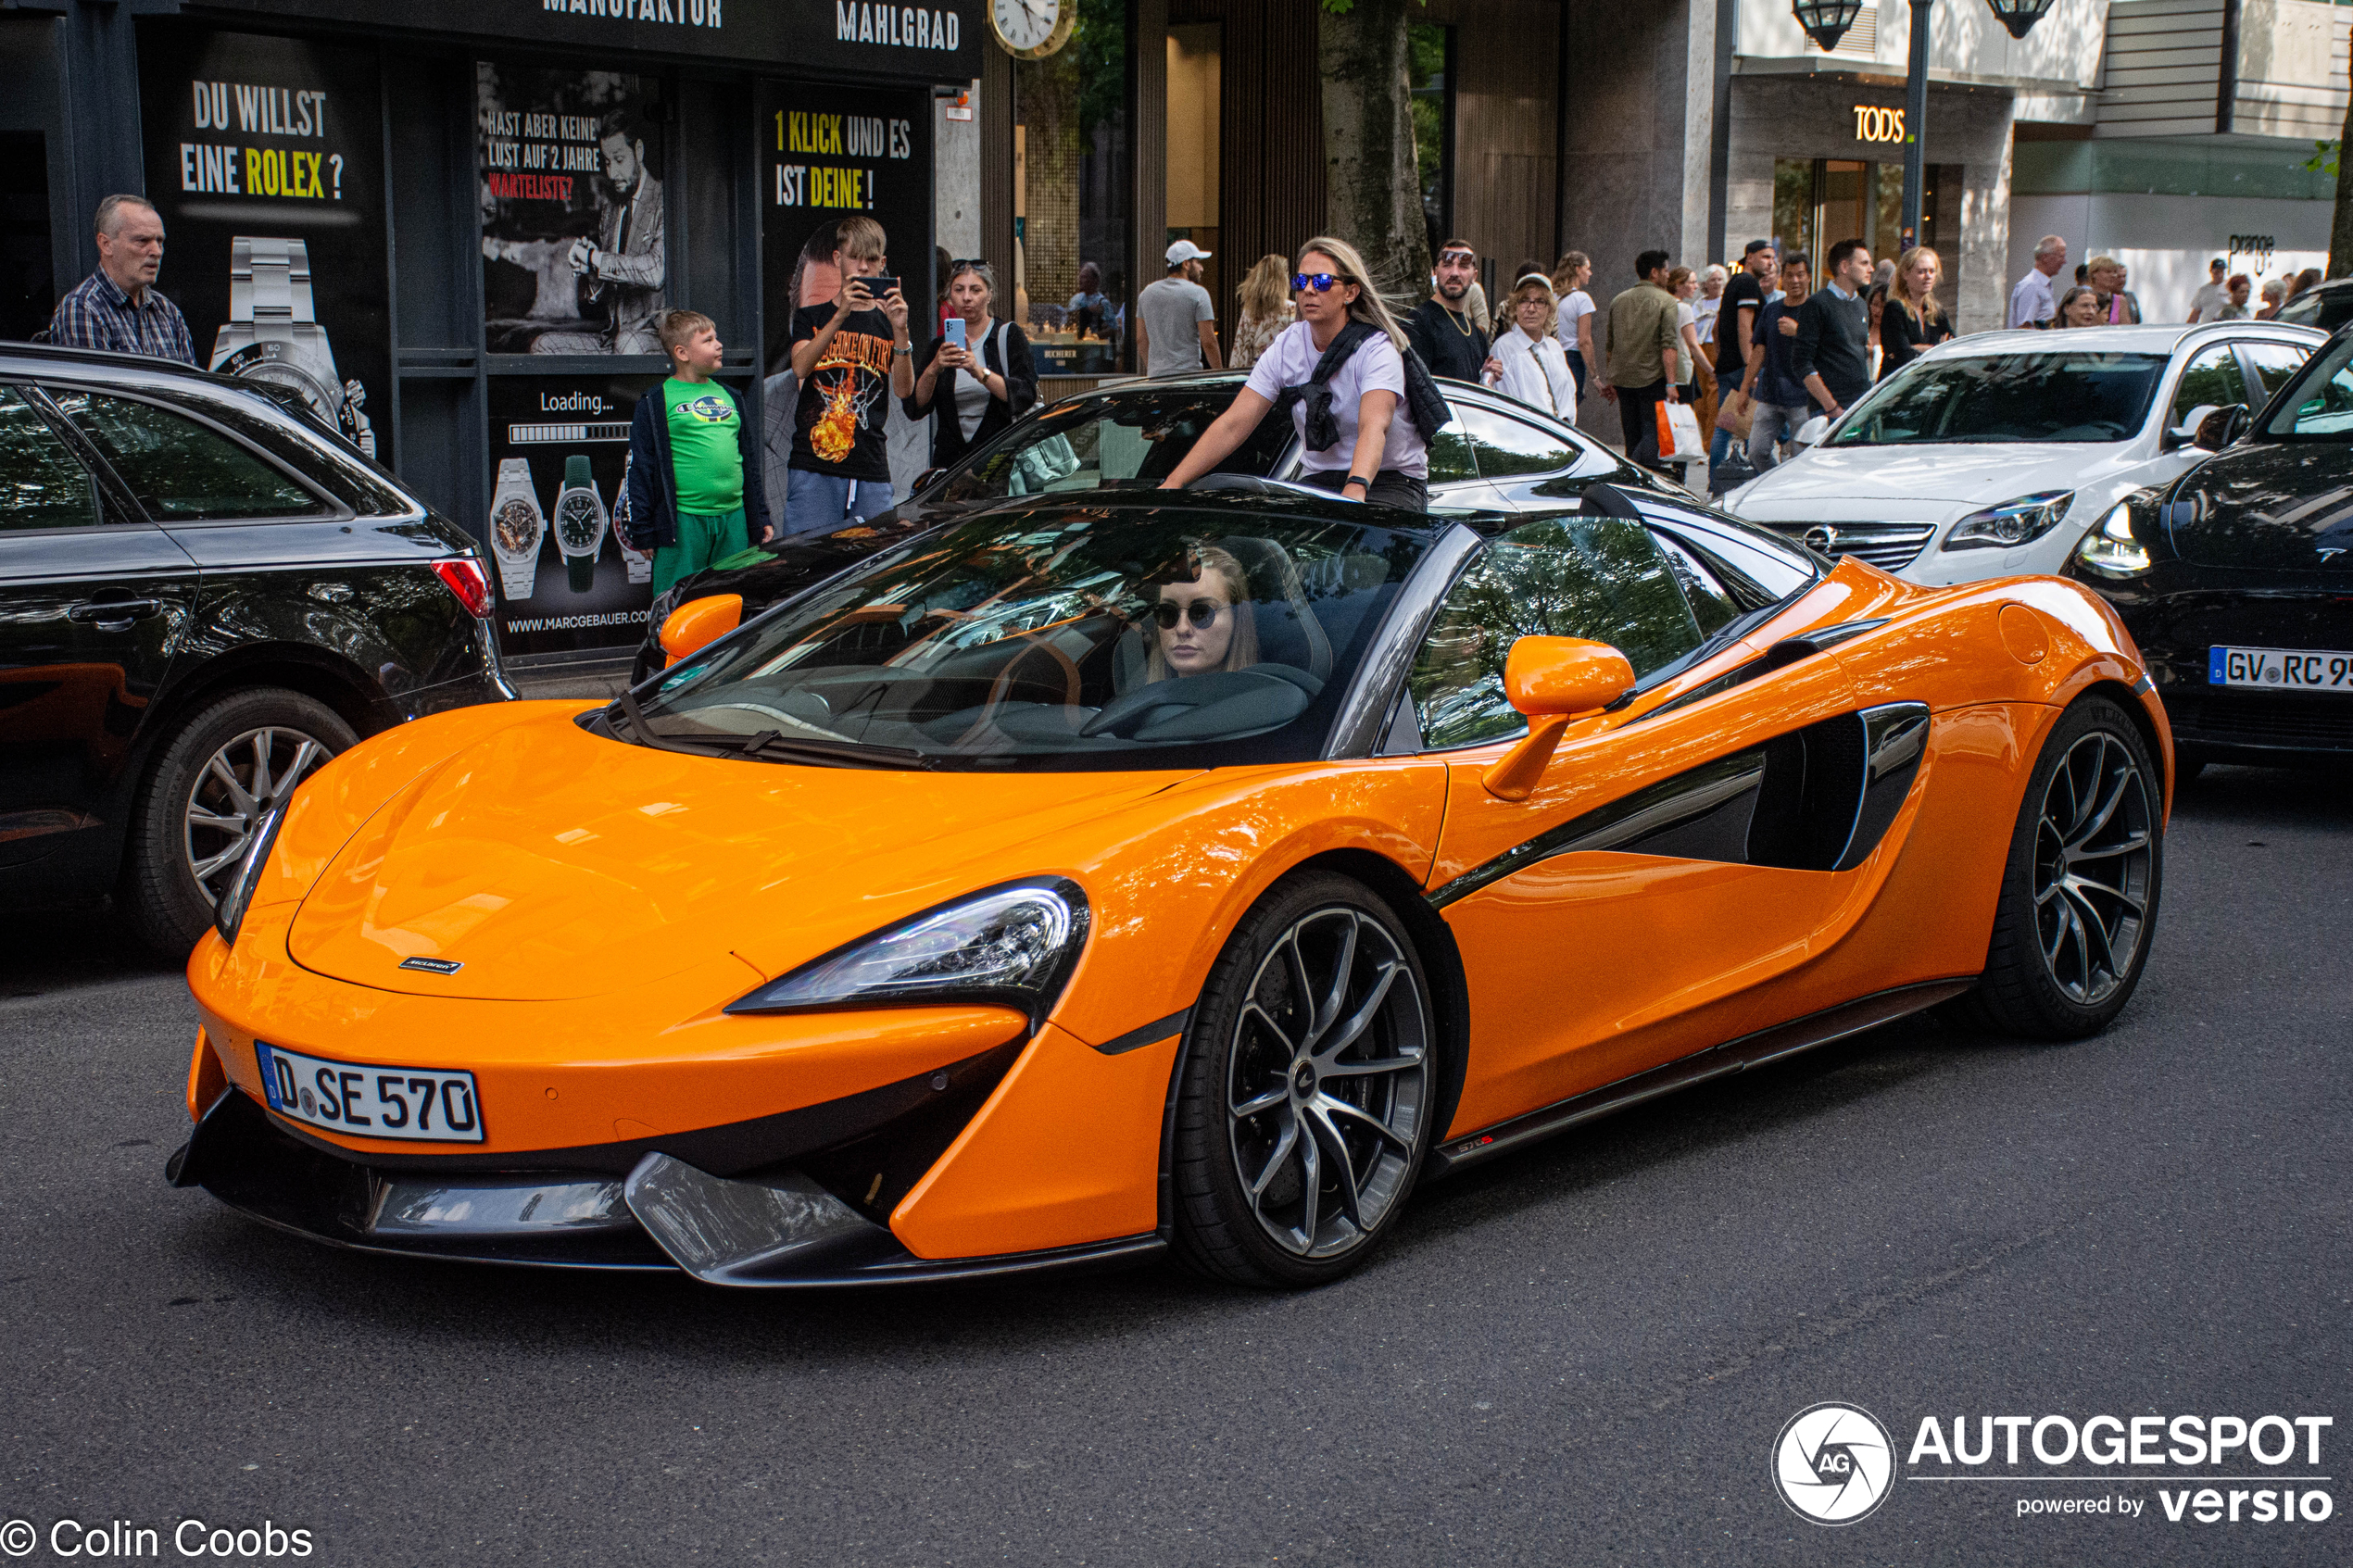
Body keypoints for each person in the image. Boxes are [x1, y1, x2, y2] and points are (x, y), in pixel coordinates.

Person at [1162, 236, 1441, 510]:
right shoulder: (1288, 345)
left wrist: (1354, 491)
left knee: (1363, 554)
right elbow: (1233, 424)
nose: (1308, 289)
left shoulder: (1377, 348)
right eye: (1300, 281)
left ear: (1350, 293)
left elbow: (1373, 426)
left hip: (1389, 482)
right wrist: (1173, 484)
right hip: (1318, 482)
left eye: (1321, 281)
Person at [625, 310, 776, 598]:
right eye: (708, 341)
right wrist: (642, 527)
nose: (719, 345)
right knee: (676, 604)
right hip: (683, 523)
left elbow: (748, 463)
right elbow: (641, 467)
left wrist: (759, 514)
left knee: (730, 602)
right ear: (682, 352)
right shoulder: (655, 401)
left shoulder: (732, 396)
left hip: (733, 519)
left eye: (716, 338)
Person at [783, 216, 913, 539]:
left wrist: (901, 330)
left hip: (869, 461)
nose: (864, 268)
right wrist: (840, 314)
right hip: (815, 462)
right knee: (806, 558)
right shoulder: (811, 316)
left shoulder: (888, 322)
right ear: (838, 259)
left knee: (871, 564)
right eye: (855, 257)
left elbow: (904, 389)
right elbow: (800, 367)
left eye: (871, 260)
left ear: (882, 264)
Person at [529, 111, 665, 354]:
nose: (612, 174)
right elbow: (606, 292)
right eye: (607, 162)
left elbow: (656, 272)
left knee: (627, 344)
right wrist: (590, 270)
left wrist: (597, 259)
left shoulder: (663, 200)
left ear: (639, 151)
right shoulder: (610, 212)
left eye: (619, 159)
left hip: (654, 335)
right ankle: (577, 395)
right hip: (613, 338)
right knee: (543, 345)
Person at [904, 259, 1036, 471]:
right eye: (959, 290)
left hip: (999, 462)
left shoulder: (1007, 335)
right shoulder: (940, 346)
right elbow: (915, 408)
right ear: (950, 296)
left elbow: (1024, 396)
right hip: (950, 466)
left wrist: (978, 371)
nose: (967, 298)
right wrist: (933, 369)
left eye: (975, 290)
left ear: (990, 294)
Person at [47, 195, 195, 363]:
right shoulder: (83, 308)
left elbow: (191, 386)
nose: (157, 251)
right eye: (142, 240)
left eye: (159, 241)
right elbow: (97, 387)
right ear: (106, 244)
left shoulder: (167, 311)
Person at [1602, 249, 1682, 471]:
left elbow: (1610, 345)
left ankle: (1632, 474)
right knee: (1653, 434)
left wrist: (1611, 376)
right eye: (1666, 270)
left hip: (1623, 379)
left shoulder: (1618, 300)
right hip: (1652, 378)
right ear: (1655, 273)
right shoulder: (1667, 302)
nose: (1669, 275)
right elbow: (1669, 344)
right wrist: (1672, 383)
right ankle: (1640, 472)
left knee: (1631, 433)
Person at [1739, 254, 1813, 470]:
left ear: (1808, 277)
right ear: (1782, 278)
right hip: (1770, 392)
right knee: (1756, 451)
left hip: (1803, 395)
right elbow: (1759, 350)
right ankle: (1774, 482)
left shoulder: (1816, 309)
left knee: (1801, 456)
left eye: (1800, 275)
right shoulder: (1771, 310)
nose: (1795, 280)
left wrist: (1798, 331)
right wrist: (1744, 389)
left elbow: (1826, 348)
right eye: (1789, 275)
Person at [1708, 240, 1775, 475]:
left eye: (1772, 258)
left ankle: (1715, 484)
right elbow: (1745, 327)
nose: (1770, 262)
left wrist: (1722, 356)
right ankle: (1755, 478)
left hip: (1727, 367)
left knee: (1725, 428)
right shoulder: (1747, 283)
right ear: (1750, 257)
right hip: (1743, 368)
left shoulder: (1734, 282)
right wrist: (1750, 368)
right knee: (1754, 428)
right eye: (1765, 257)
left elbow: (1716, 329)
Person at [1148, 545, 1260, 681]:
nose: (1182, 629)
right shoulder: (1137, 699)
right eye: (1167, 613)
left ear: (1236, 619)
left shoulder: (1271, 699)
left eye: (1202, 613)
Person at [1793, 238, 1872, 422]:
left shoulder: (1861, 305)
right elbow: (1801, 362)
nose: (1871, 269)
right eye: (1864, 263)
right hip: (1830, 413)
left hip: (1859, 408)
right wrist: (1832, 407)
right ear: (1844, 266)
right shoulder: (1817, 304)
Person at [1485, 273, 1576, 419]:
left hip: (1560, 434)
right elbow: (1508, 405)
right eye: (1524, 301)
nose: (1531, 309)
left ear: (1549, 309)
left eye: (1540, 302)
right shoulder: (1504, 347)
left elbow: (1569, 393)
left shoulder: (1555, 347)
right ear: (1515, 307)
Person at [1403, 239, 1491, 383]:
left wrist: (1486, 375)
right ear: (1436, 272)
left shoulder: (1476, 335)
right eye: (1447, 265)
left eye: (1463, 266)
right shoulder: (1418, 323)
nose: (1454, 273)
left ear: (1474, 276)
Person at [1137, 239, 1221, 376]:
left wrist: (1154, 369)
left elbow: (1141, 338)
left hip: (1156, 377)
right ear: (1186, 264)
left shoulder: (1146, 293)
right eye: (1197, 262)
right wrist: (1219, 373)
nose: (1201, 268)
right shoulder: (1198, 293)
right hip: (1187, 376)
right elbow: (1209, 341)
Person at [1878, 246, 1952, 380]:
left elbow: (1951, 350)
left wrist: (1917, 349)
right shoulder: (1895, 309)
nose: (1928, 276)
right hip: (1897, 386)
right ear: (1906, 274)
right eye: (1921, 272)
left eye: (1932, 271)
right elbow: (1903, 356)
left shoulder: (1937, 312)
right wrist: (1935, 350)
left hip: (1927, 384)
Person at [1231, 253, 1296, 370]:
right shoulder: (1292, 309)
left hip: (1254, 372)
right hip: (1281, 372)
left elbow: (1240, 350)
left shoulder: (1249, 311)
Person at [1552, 250, 1597, 403]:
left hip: (1551, 355)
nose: (1590, 273)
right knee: (1570, 407)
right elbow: (1584, 340)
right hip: (1572, 358)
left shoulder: (1550, 296)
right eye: (1587, 268)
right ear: (1578, 269)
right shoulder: (1582, 300)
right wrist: (1594, 376)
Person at [2009, 234, 2068, 329]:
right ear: (2045, 257)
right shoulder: (2031, 286)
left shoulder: (2043, 285)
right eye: (2061, 257)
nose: (2064, 261)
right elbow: (2024, 328)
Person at [1667, 266, 1704, 405]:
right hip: (1682, 371)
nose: (1696, 286)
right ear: (1678, 285)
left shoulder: (1661, 304)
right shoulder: (1684, 308)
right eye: (1692, 282)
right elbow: (1693, 344)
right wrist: (1711, 371)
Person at [2086, 256, 2142, 325]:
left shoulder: (2119, 300)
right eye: (2108, 272)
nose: (2113, 275)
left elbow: (2126, 328)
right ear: (2094, 273)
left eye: (2115, 272)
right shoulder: (2085, 298)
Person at [1068, 261, 1112, 343]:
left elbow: (1111, 329)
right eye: (1080, 277)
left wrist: (1092, 336)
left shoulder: (1102, 302)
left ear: (1095, 280)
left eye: (1085, 277)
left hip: (1096, 348)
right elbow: (1070, 321)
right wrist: (1088, 310)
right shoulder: (1076, 299)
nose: (1081, 280)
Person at [1693, 264, 1727, 349]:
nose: (1716, 283)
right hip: (1699, 346)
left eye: (1719, 280)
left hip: (1719, 347)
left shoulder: (1726, 301)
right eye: (1713, 280)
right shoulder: (1698, 304)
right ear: (1705, 283)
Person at [2187, 257, 2229, 323]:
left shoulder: (2229, 288)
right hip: (2207, 328)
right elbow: (2196, 312)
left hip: (2224, 327)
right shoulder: (2203, 290)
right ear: (2211, 271)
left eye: (2221, 271)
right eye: (2216, 272)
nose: (2220, 275)